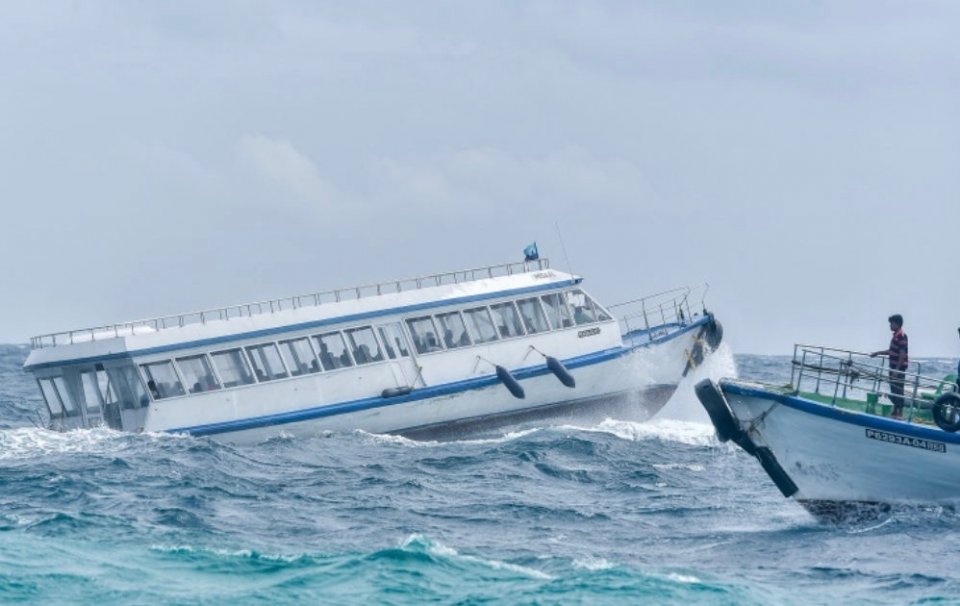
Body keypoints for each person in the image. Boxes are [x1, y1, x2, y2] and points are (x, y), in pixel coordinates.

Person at [871, 314, 909, 418]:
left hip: (898, 368)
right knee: (893, 389)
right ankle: (895, 410)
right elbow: (891, 351)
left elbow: (902, 354)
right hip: (893, 367)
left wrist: (897, 370)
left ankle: (900, 412)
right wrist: (878, 353)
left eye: (891, 323)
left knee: (898, 389)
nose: (890, 326)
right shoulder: (895, 336)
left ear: (897, 324)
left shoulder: (902, 336)